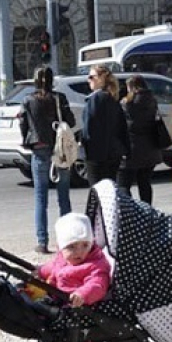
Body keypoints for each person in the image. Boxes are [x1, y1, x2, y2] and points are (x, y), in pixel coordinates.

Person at [19, 67, 76, 254]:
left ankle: (42, 242)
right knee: (63, 197)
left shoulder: (28, 100)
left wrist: (27, 140)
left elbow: (23, 124)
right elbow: (71, 122)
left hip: (39, 148)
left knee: (40, 198)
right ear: (52, 81)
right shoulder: (59, 98)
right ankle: (66, 241)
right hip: (60, 151)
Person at [38, 213, 110, 308]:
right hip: (56, 294)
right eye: (71, 246)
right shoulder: (62, 257)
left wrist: (83, 294)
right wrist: (40, 271)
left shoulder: (95, 265)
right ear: (60, 247)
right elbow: (52, 266)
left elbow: (98, 284)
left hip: (74, 305)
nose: (79, 252)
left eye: (85, 245)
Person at [117, 75, 162, 205]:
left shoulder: (127, 103)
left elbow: (122, 124)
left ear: (131, 87)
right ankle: (148, 212)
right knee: (145, 183)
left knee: (123, 184)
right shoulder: (152, 100)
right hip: (150, 148)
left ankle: (131, 212)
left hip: (132, 149)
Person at [82, 66, 130, 186]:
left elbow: (89, 128)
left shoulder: (95, 99)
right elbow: (122, 126)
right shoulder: (112, 98)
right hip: (114, 152)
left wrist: (83, 144)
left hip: (97, 153)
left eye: (91, 77)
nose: (88, 80)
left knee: (98, 192)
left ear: (101, 78)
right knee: (110, 190)